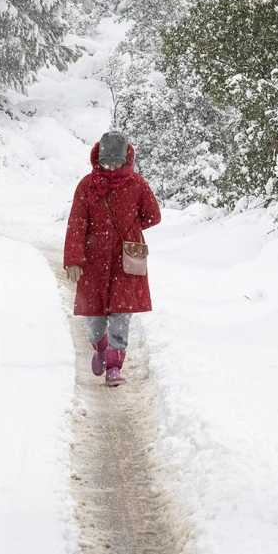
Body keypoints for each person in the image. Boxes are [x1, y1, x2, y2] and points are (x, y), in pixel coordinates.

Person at [64, 127, 159, 386]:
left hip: (124, 262)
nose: (111, 166)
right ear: (99, 158)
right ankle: (100, 346)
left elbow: (153, 215)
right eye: (107, 161)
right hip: (94, 261)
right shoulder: (87, 185)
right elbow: (77, 222)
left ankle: (115, 365)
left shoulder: (137, 184)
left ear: (126, 158)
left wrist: (130, 229)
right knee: (94, 318)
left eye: (116, 161)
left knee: (121, 314)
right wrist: (73, 259)